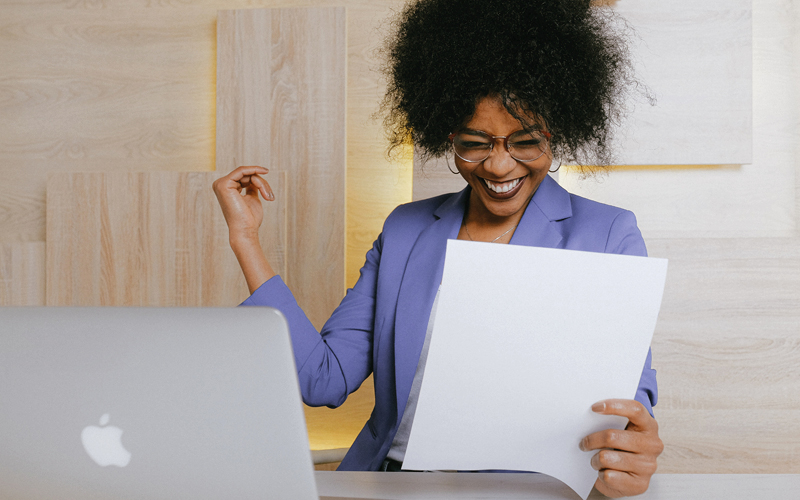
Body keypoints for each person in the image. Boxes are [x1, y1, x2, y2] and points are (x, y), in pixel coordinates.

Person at [213, 0, 663, 497]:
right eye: (476, 142)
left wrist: (629, 447)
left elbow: (628, 394)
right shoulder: (406, 230)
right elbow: (322, 380)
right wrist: (246, 240)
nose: (497, 165)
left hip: (526, 493)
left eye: (525, 141)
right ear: (448, 137)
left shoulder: (607, 235)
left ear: (555, 135)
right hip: (388, 485)